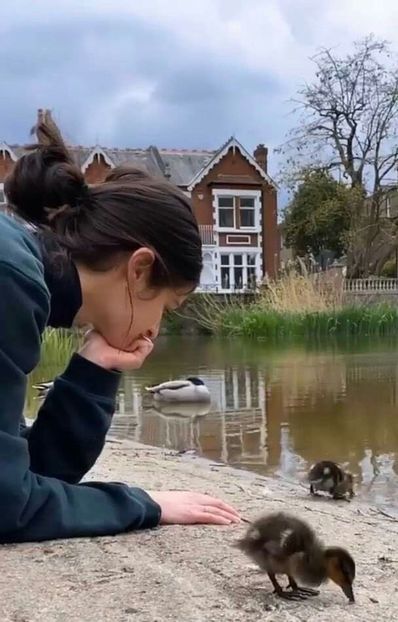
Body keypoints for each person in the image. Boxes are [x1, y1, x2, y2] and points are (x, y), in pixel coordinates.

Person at [0, 116, 240, 543]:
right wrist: (143, 504)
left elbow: (28, 474)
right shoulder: (11, 280)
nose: (155, 329)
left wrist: (94, 369)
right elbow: (7, 506)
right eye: (167, 306)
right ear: (140, 269)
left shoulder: (21, 276)